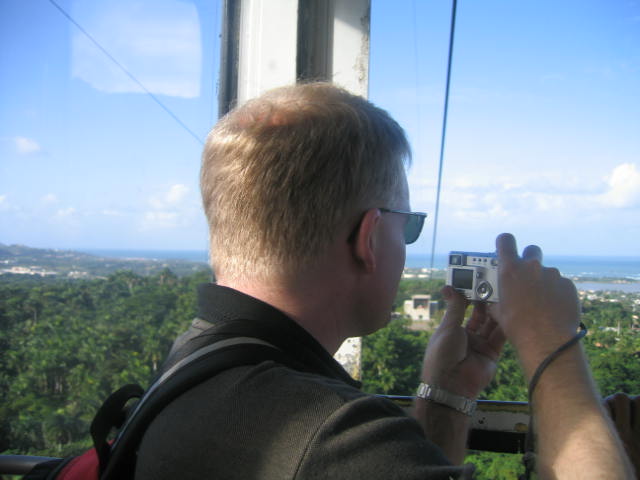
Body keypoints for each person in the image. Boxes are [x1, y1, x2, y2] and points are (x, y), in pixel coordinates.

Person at [135, 83, 633, 479]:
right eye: (408, 225)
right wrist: (553, 345)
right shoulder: (331, 439)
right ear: (369, 238)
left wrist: (447, 398)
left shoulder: (194, 361)